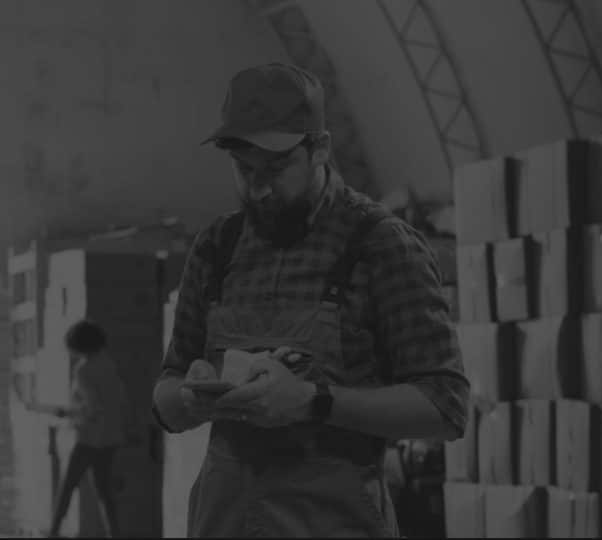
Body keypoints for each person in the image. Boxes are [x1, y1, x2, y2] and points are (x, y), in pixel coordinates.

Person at [151, 62, 470, 537]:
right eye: (244, 169)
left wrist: (314, 402)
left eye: (277, 168)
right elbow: (166, 395)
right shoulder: (217, 248)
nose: (258, 188)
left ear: (319, 148)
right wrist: (190, 396)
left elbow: (446, 407)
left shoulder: (380, 246)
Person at [28, 319, 138, 538]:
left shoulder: (83, 370)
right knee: (104, 491)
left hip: (89, 438)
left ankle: (54, 532)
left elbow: (91, 409)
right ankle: (114, 534)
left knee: (68, 486)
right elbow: (121, 401)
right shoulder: (109, 364)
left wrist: (66, 413)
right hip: (111, 437)